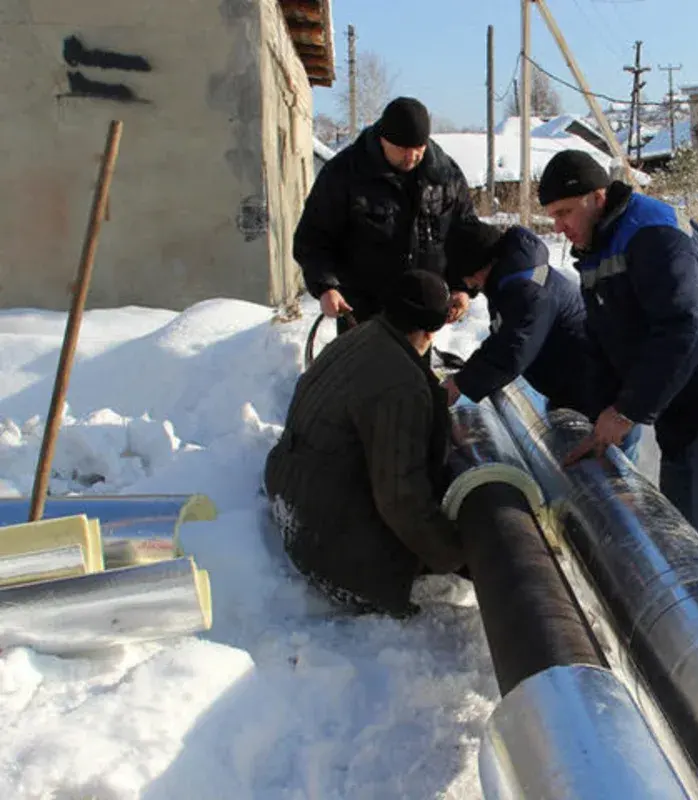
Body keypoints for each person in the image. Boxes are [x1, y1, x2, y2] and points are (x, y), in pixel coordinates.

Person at [537, 150, 698, 599]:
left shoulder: (651, 232)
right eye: (552, 216)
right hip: (684, 395)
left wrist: (628, 410)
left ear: (597, 197)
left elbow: (686, 326)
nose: (558, 226)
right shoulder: (597, 249)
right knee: (679, 530)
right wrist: (589, 414)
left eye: (564, 212)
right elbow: (605, 348)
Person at [263, 269, 464, 619]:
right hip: (327, 548)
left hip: (289, 495)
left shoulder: (359, 338)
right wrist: (455, 555)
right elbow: (400, 497)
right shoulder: (401, 384)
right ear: (430, 330)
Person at [439, 219, 641, 461]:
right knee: (568, 471)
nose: (470, 286)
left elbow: (512, 349)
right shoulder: (510, 277)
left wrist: (460, 384)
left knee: (605, 483)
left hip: (602, 401)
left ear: (477, 269)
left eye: (467, 280)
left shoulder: (526, 288)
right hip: (574, 392)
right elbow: (503, 338)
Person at [293, 96, 477, 334]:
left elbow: (466, 233)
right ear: (383, 139)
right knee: (365, 370)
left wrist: (462, 285)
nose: (411, 157)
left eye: (418, 149)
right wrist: (326, 286)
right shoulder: (345, 173)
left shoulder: (444, 175)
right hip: (362, 308)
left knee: (411, 371)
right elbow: (313, 238)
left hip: (421, 311)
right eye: (402, 150)